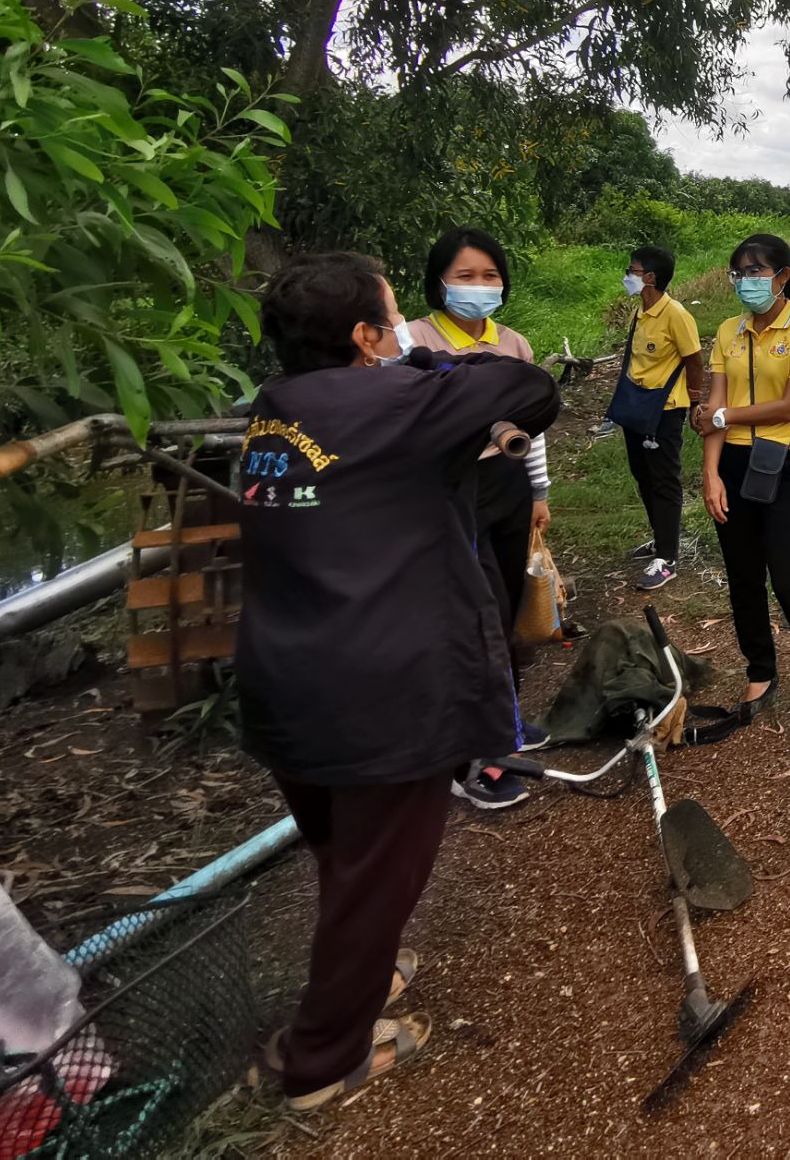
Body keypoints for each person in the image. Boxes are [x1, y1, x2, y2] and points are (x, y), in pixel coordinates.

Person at [235, 252, 560, 1110]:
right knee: (379, 876)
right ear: (367, 336)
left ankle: (363, 979)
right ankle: (318, 1061)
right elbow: (529, 388)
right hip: (379, 693)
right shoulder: (398, 396)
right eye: (393, 320)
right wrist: (431, 360)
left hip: (284, 679)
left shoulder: (274, 410)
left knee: (348, 861)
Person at [406, 228, 551, 808]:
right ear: (439, 282)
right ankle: (473, 760)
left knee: (511, 603)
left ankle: (506, 724)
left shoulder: (512, 344)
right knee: (475, 614)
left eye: (490, 276)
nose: (479, 287)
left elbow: (532, 424)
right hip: (448, 490)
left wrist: (538, 490)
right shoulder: (412, 341)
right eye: (465, 276)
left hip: (507, 484)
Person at [693, 234, 790, 744]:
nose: (746, 282)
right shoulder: (726, 332)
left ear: (783, 276)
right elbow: (713, 407)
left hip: (787, 463)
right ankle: (761, 672)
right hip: (733, 463)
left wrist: (723, 415)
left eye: (757, 272)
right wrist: (710, 473)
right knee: (742, 576)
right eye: (739, 273)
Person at [615, 244, 707, 591]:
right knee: (642, 474)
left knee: (664, 480)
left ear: (649, 277)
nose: (627, 276)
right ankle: (661, 538)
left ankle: (667, 557)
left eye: (632, 270)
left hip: (665, 410)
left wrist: (694, 401)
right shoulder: (639, 312)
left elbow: (695, 362)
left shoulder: (677, 315)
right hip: (636, 405)